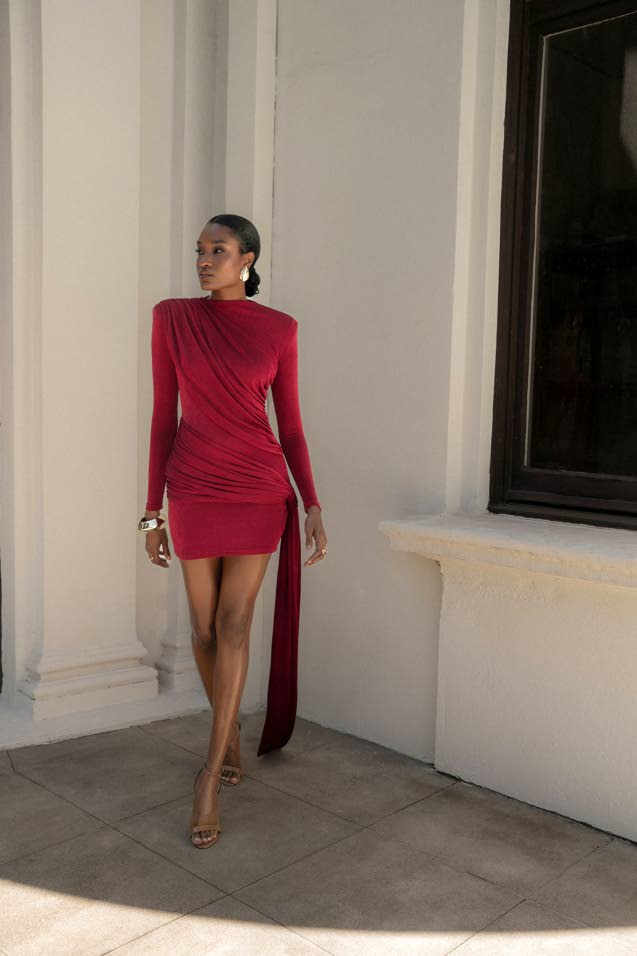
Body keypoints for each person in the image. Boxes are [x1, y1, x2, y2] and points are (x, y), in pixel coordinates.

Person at [139, 213, 327, 849]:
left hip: (258, 488)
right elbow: (163, 417)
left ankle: (209, 775)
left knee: (235, 625)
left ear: (247, 259)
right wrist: (151, 511)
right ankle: (231, 736)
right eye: (199, 250)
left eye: (217, 250)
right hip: (193, 486)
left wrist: (311, 501)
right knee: (201, 629)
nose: (203, 259)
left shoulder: (280, 329)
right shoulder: (172, 318)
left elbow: (291, 425)